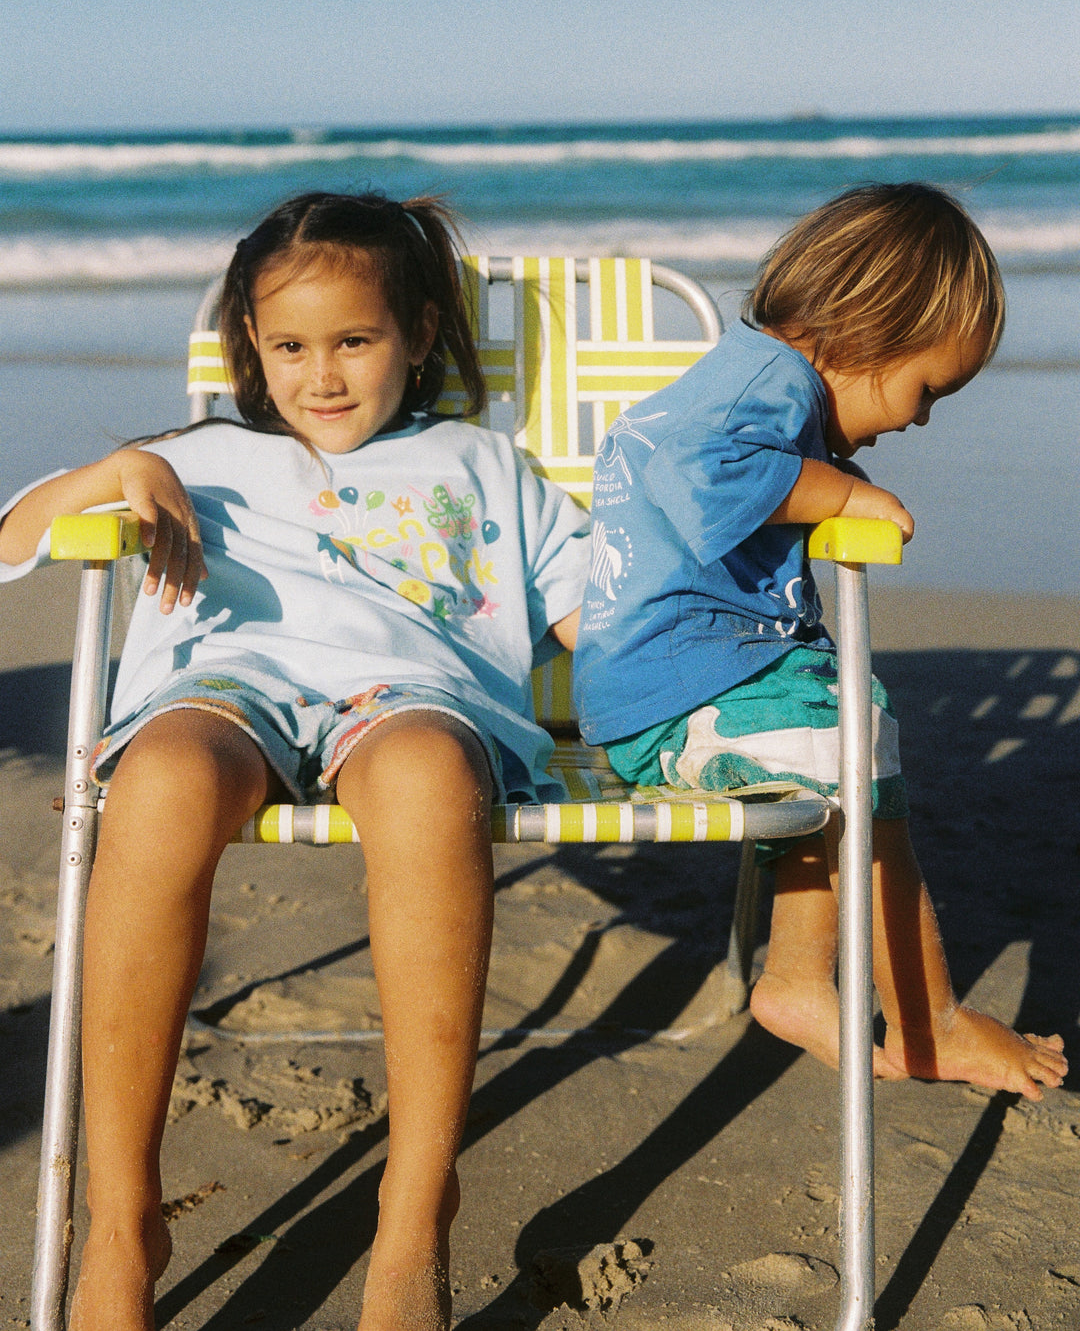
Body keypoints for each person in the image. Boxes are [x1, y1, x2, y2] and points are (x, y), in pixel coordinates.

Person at [0, 192, 589, 1331]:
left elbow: (591, 619)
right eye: (289, 346)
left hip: (412, 697)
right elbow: (13, 536)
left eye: (354, 340)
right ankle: (122, 1219)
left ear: (418, 334)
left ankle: (415, 1210)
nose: (320, 375)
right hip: (226, 693)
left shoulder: (483, 465)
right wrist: (119, 470)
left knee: (428, 780)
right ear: (252, 351)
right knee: (160, 783)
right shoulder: (204, 454)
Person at [574, 182, 1067, 1102]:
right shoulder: (763, 383)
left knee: (838, 736)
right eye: (927, 390)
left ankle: (801, 980)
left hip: (692, 683)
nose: (919, 419)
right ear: (860, 336)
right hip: (679, 698)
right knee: (852, 744)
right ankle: (931, 1021)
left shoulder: (758, 388)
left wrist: (822, 468)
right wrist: (840, 494)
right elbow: (697, 473)